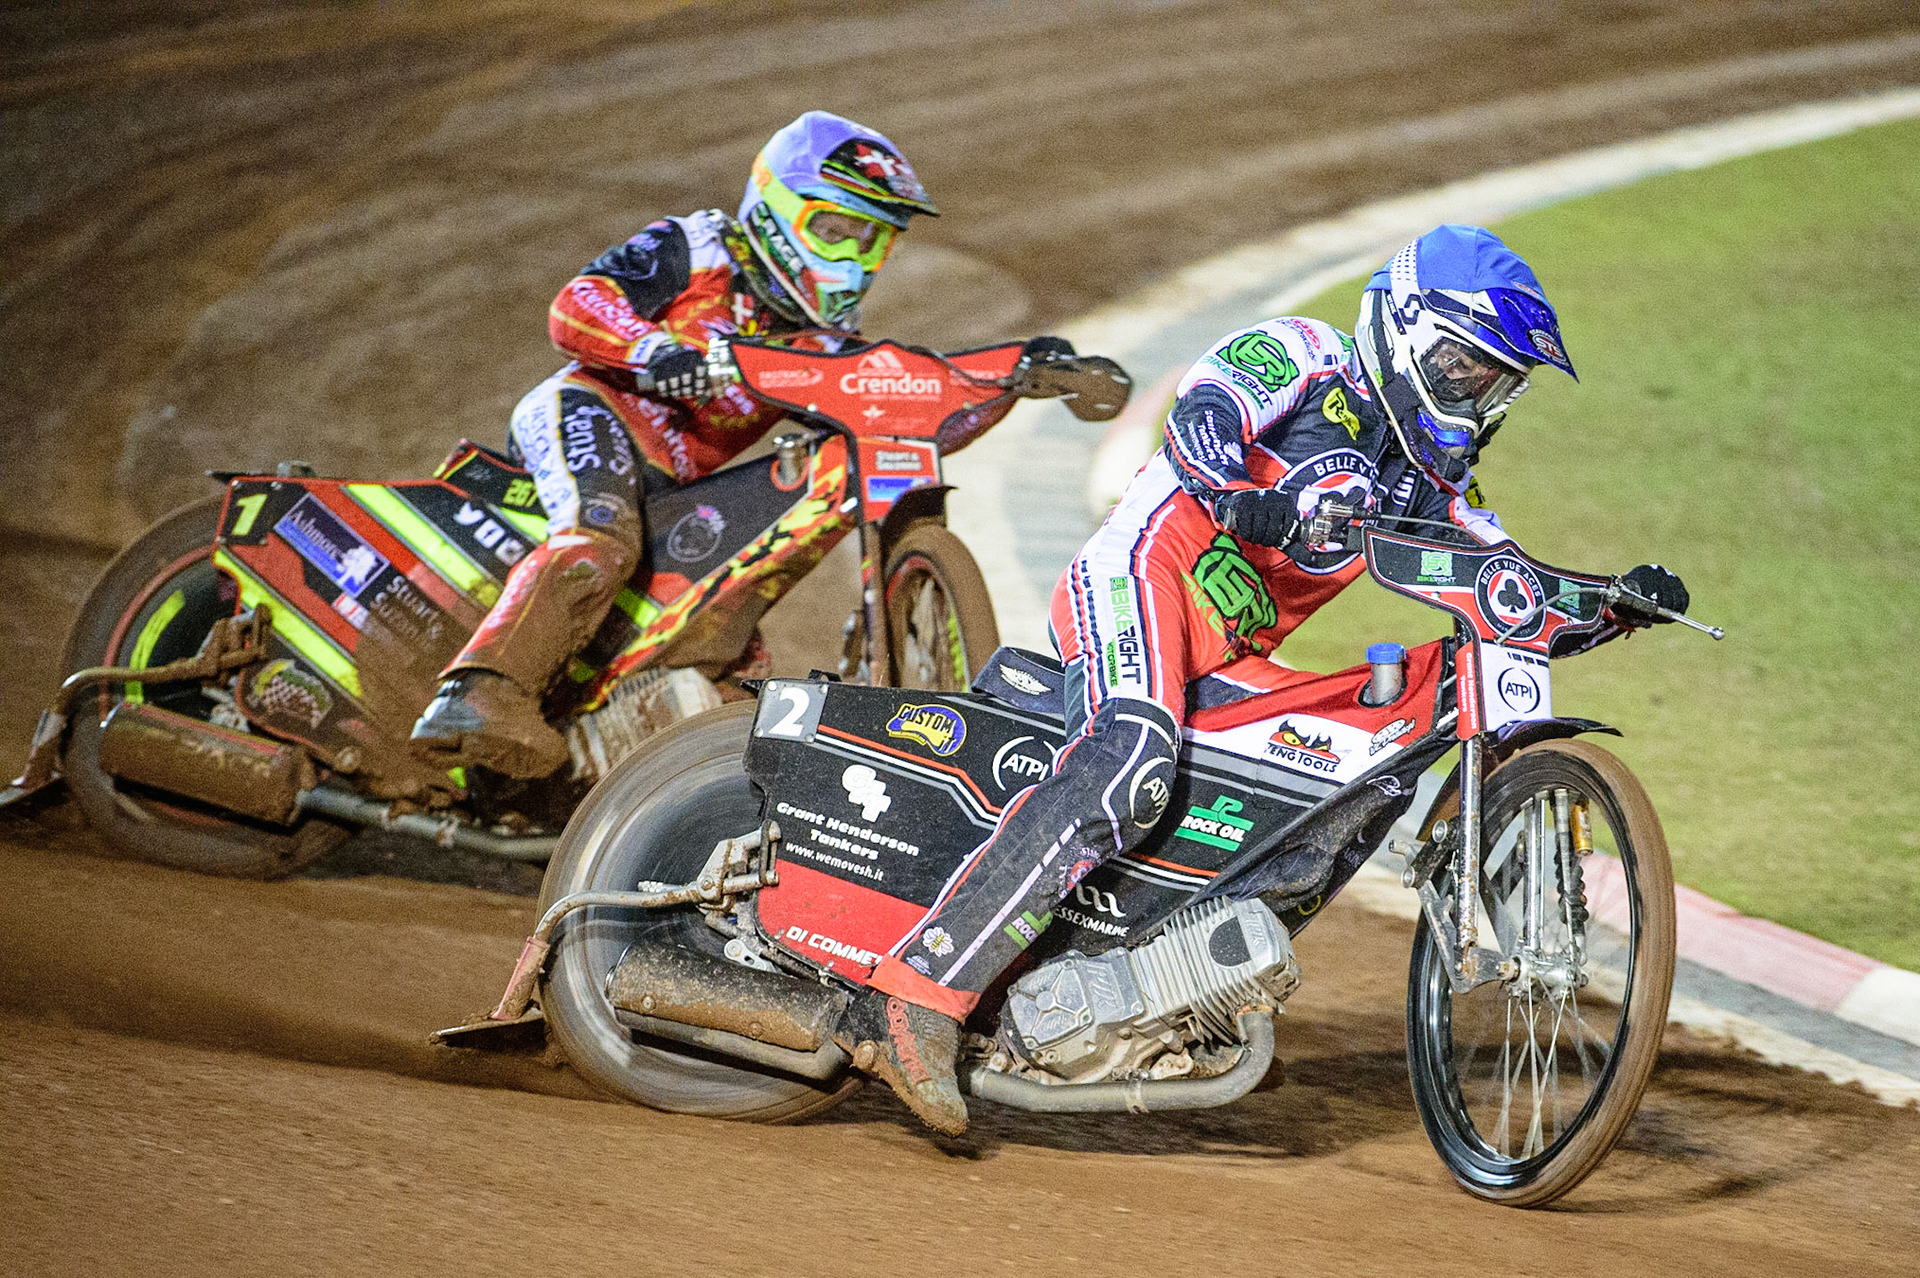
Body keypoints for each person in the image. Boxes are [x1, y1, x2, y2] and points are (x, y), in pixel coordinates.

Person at [839, 224, 1691, 1135]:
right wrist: (1249, 500)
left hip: (1231, 656)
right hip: (1138, 582)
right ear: (1404, 328)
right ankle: (914, 996)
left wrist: (1609, 605)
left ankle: (1174, 984)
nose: (1477, 398)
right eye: (1464, 368)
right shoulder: (1305, 353)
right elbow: (1200, 413)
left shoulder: (1432, 491)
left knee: (1366, 768)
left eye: (1496, 385)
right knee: (1132, 755)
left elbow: (1508, 587)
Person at [411, 111, 949, 777]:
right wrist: (654, 351)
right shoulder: (700, 248)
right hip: (588, 410)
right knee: (599, 542)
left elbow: (898, 406)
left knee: (727, 651)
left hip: (673, 487)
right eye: (832, 231)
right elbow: (576, 304)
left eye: (869, 241)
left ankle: (610, 790)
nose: (850, 257)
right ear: (778, 208)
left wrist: (1015, 378)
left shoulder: (822, 344)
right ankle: (476, 694)